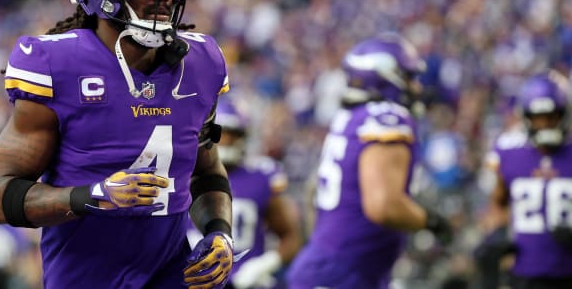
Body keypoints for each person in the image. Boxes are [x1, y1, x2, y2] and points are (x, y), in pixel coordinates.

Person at [0, 0, 234, 289]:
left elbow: (207, 174)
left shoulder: (201, 63)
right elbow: (1, 196)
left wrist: (219, 232)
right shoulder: (56, 64)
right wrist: (91, 197)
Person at [286, 33, 452, 289]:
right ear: (387, 77)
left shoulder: (350, 118)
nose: (416, 87)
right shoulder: (387, 117)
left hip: (330, 265)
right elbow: (383, 206)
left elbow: (312, 191)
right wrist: (431, 221)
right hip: (344, 274)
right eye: (409, 78)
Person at [187, 99, 302, 288]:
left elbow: (291, 236)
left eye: (230, 135)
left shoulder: (261, 176)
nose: (224, 141)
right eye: (219, 134)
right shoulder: (183, 175)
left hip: (245, 282)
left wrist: (263, 265)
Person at [476, 70, 572, 289]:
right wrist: (499, 233)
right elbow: (498, 203)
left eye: (552, 116)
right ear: (526, 117)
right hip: (525, 273)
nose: (545, 124)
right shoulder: (508, 151)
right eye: (538, 118)